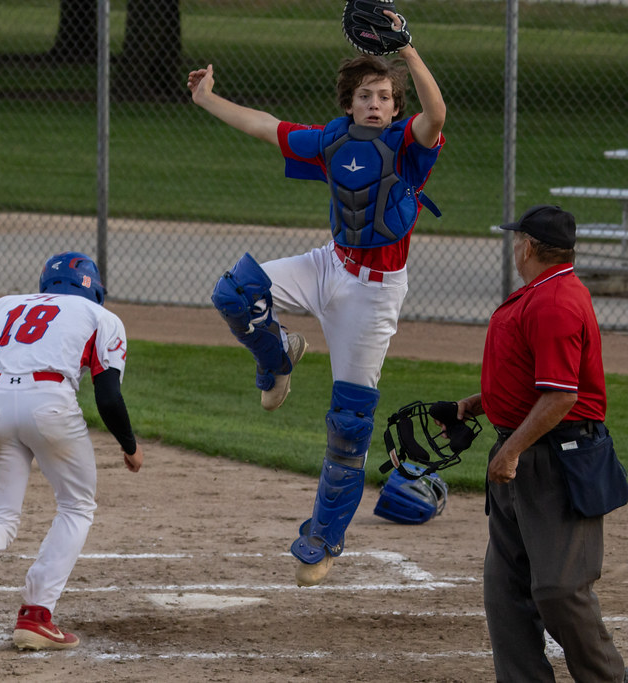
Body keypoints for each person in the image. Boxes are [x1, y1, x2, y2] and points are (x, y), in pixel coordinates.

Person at [187, 16, 446, 586]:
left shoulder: (409, 145)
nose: (374, 104)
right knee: (235, 290)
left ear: (394, 106)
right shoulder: (332, 140)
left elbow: (437, 114)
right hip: (328, 264)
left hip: (373, 297)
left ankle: (323, 540)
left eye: (383, 96)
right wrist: (207, 98)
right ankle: (276, 359)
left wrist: (408, 49)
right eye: (364, 96)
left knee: (349, 422)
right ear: (349, 104)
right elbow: (267, 127)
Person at [449, 205, 626, 681]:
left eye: (516, 241)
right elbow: (534, 379)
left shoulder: (555, 302)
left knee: (559, 590)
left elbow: (561, 396)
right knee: (505, 589)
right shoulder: (542, 293)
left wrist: (510, 450)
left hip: (556, 460)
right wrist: (483, 402)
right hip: (524, 452)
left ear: (527, 246)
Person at [0, 251, 143, 651]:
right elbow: (109, 395)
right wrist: (129, 446)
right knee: (76, 506)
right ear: (94, 288)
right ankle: (36, 615)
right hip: (51, 404)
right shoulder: (101, 317)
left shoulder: (4, 305)